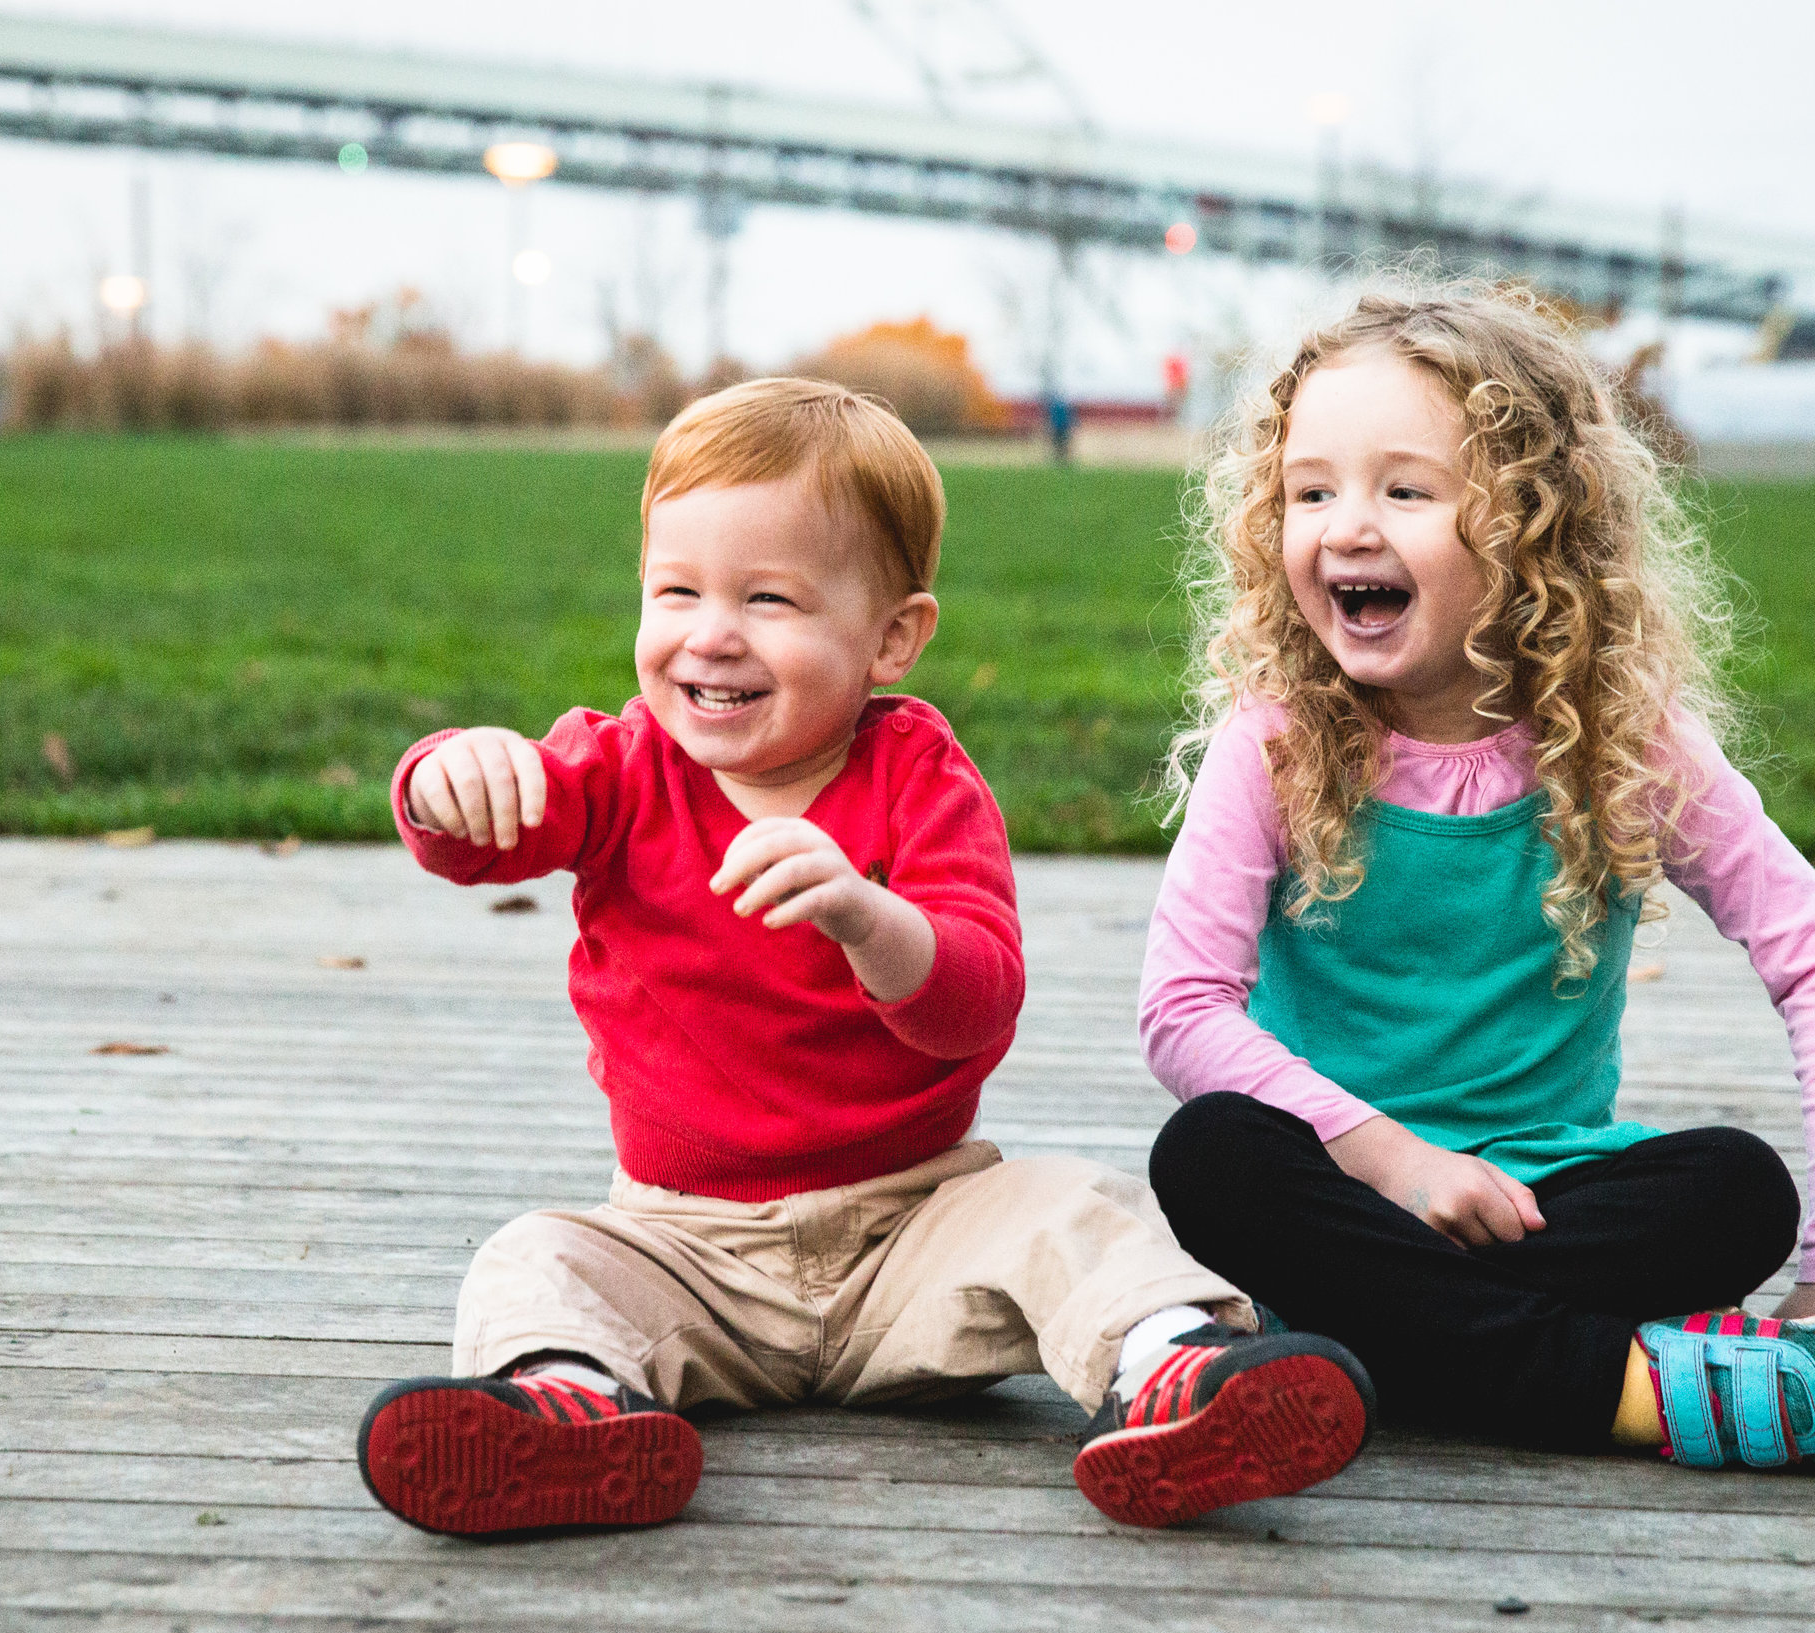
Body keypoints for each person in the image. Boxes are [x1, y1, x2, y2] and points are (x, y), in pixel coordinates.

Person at [355, 378, 1373, 1538]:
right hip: (686, 1244)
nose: (711, 633)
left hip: (914, 1227)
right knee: (535, 1255)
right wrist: (449, 772)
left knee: (1070, 1205)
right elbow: (486, 831)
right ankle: (566, 1409)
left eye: (769, 598)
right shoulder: (621, 767)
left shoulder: (918, 779)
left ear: (892, 635)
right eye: (674, 590)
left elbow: (975, 1004)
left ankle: (1175, 1373)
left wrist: (866, 918)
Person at [1137, 282, 1815, 1476]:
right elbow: (1181, 1010)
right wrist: (1401, 1164)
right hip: (1344, 1191)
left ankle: (1360, 1346)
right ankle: (1651, 1392)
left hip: (1546, 1207)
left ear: (1533, 525)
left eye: (1404, 489)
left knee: (1736, 1190)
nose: (1346, 526)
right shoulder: (1274, 745)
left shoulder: (1625, 740)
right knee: (1209, 1153)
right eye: (1311, 491)